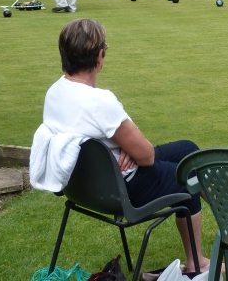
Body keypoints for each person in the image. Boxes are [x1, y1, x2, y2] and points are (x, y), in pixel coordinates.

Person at [31, 19, 211, 274]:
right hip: (124, 189)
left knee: (188, 149)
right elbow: (147, 156)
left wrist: (122, 147)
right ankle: (197, 263)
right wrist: (129, 149)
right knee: (188, 175)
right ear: (99, 56)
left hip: (83, 188)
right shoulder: (100, 101)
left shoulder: (54, 92)